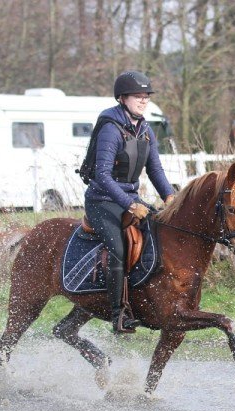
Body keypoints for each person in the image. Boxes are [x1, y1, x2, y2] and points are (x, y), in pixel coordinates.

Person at [84, 71, 175, 333]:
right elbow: (101, 175)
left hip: (130, 199)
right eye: (138, 96)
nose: (144, 101)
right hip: (102, 200)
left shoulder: (145, 130)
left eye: (146, 97)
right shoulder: (111, 129)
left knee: (159, 234)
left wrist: (169, 196)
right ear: (122, 98)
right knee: (119, 248)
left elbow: (155, 170)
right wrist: (128, 203)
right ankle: (118, 315)